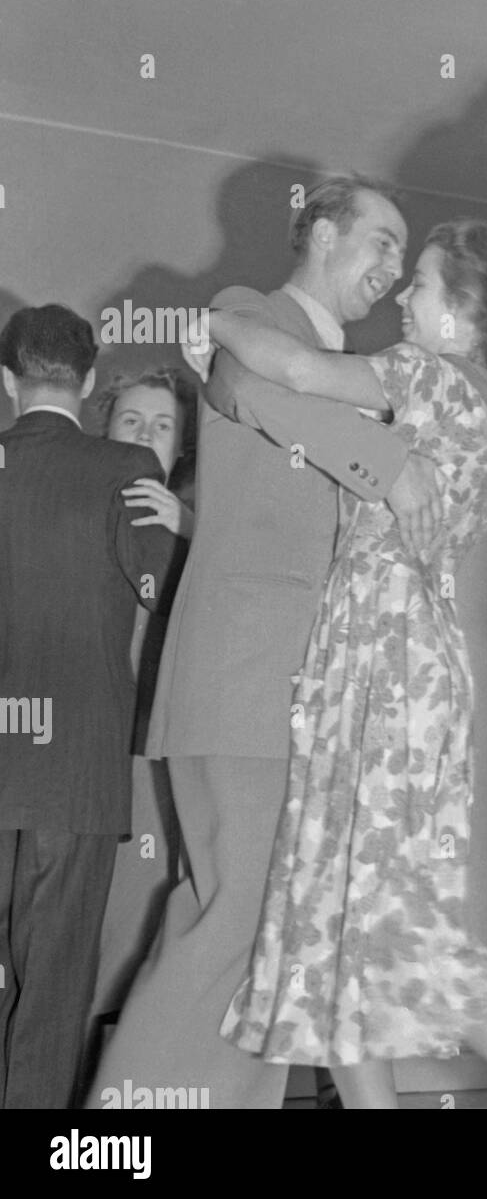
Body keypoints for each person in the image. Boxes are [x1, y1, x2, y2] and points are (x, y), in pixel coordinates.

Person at [188, 218, 487, 1108]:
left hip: (379, 651)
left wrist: (218, 322)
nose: (404, 298)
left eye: (419, 284)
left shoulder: (421, 375)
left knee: (403, 927)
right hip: (414, 658)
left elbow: (296, 371)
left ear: (458, 310)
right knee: (333, 912)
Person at [87, 175, 444, 1110]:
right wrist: (387, 465)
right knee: (235, 921)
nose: (392, 268)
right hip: (245, 681)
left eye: (405, 256)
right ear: (321, 233)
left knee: (274, 935)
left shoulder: (355, 380)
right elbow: (253, 386)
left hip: (308, 697)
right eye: (381, 241)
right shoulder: (248, 317)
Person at [0, 306, 178, 1108]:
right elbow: (167, 593)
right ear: (92, 380)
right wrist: (186, 536)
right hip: (76, 766)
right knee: (55, 982)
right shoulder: (127, 466)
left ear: (8, 382)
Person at [89, 368, 197, 1031]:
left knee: (159, 911)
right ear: (105, 430)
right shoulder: (61, 505)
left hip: (165, 749)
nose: (145, 436)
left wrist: (193, 529)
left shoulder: (206, 526)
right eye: (131, 421)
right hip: (78, 755)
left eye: (162, 426)